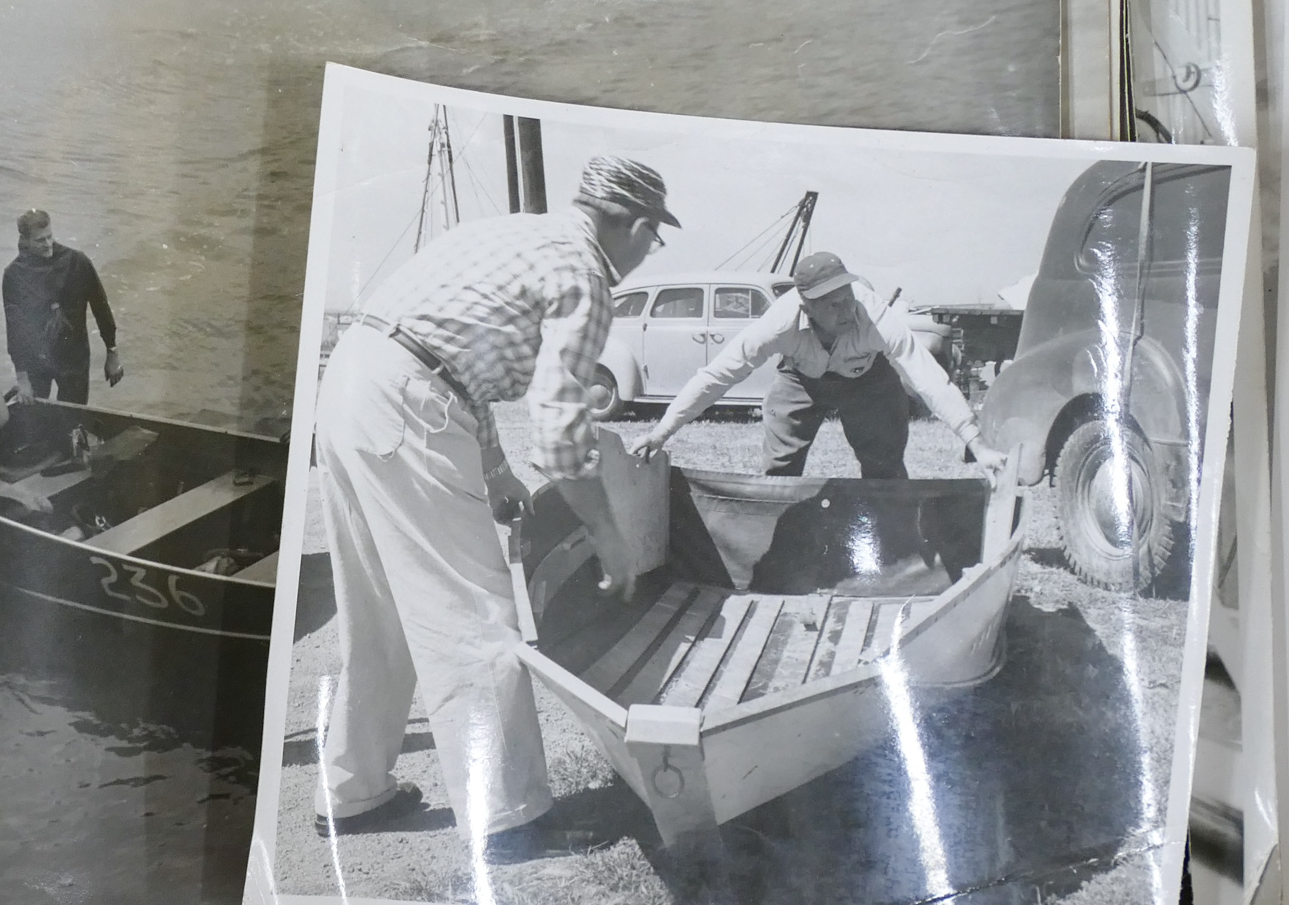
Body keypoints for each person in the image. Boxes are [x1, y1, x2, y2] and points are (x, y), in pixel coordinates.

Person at [313, 156, 676, 864]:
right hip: (410, 402)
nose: (647, 251)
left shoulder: (513, 235)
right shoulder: (587, 274)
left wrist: (495, 465)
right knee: (476, 615)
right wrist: (608, 531)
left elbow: (456, 358)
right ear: (633, 225)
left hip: (354, 380)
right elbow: (559, 426)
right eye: (653, 236)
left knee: (380, 607)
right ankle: (509, 820)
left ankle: (352, 792)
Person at [634, 250, 1009, 481]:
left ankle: (892, 549)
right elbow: (715, 377)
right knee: (779, 471)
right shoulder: (776, 324)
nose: (847, 310)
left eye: (848, 298)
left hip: (869, 381)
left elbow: (928, 378)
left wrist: (977, 444)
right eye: (833, 305)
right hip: (800, 379)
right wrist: (662, 431)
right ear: (806, 306)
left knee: (885, 470)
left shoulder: (874, 316)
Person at [1, 209, 123, 404]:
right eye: (40, 240)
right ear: (25, 240)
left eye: (50, 237)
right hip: (37, 358)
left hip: (73, 357)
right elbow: (15, 329)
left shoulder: (78, 262)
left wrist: (112, 351)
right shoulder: (14, 275)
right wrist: (22, 379)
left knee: (73, 418)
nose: (48, 244)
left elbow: (101, 307)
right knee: (34, 419)